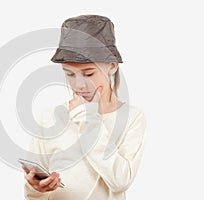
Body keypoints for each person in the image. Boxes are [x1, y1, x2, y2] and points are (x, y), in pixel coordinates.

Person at [21, 14, 147, 200]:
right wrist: (35, 188)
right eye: (69, 74)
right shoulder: (50, 117)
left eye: (88, 74)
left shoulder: (131, 118)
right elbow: (34, 194)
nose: (79, 85)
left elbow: (120, 181)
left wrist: (88, 120)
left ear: (112, 66)